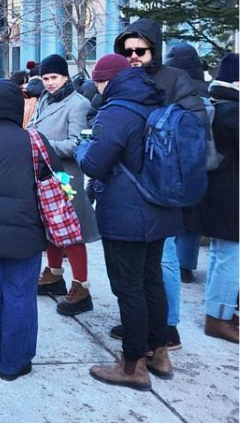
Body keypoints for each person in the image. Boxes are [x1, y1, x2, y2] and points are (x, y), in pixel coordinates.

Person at [75, 54, 183, 390]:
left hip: (127, 214)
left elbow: (94, 164)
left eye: (98, 82)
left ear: (106, 81)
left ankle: (132, 365)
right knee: (151, 279)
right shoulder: (155, 101)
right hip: (160, 208)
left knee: (128, 288)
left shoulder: (117, 111)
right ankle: (159, 353)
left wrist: (81, 148)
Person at [109, 20, 206, 350]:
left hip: (163, 182)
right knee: (138, 269)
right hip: (131, 184)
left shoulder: (174, 79)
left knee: (162, 260)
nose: (133, 56)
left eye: (141, 50)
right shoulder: (124, 80)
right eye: (127, 51)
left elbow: (194, 130)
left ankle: (167, 328)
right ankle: (145, 328)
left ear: (155, 49)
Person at [0, 79, 58, 381]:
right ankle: (13, 364)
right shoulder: (34, 140)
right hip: (26, 235)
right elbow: (55, 179)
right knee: (20, 297)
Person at [28, 55, 99, 316]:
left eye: (54, 78)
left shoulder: (78, 104)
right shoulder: (44, 99)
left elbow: (77, 143)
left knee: (71, 232)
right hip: (45, 175)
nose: (49, 83)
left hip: (66, 177)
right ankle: (54, 274)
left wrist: (42, 146)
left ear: (65, 77)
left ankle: (81, 286)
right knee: (50, 227)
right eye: (46, 78)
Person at [198, 54, 240, 344]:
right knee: (231, 257)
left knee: (220, 253)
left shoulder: (215, 105)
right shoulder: (233, 112)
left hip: (217, 194)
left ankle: (216, 308)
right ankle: (218, 317)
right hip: (232, 196)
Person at [164, 42, 208, 284]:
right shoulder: (206, 91)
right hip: (202, 162)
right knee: (193, 215)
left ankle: (173, 263)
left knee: (172, 213)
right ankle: (186, 265)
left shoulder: (168, 88)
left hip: (171, 159)